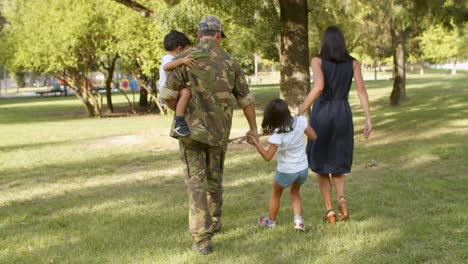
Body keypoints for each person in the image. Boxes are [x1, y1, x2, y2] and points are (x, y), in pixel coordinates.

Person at [160, 16, 258, 255]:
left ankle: (202, 240)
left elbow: (167, 95)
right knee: (214, 178)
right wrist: (253, 128)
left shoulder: (183, 59)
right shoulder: (230, 61)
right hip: (219, 132)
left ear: (198, 34)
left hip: (190, 133)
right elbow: (246, 100)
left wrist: (183, 113)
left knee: (197, 183)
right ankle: (214, 222)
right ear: (218, 35)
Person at [298, 26, 372, 225]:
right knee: (338, 160)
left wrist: (302, 107)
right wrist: (368, 118)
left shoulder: (317, 60)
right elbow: (362, 90)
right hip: (342, 113)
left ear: (325, 42)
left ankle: (330, 212)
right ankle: (342, 199)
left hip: (322, 113)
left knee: (321, 165)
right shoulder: (353, 63)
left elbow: (319, 87)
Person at [247, 99, 317, 232]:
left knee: (276, 193)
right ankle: (298, 221)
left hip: (286, 171)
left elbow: (268, 157)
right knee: (295, 192)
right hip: (302, 169)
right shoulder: (301, 121)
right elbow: (313, 136)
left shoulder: (278, 134)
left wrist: (256, 143)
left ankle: (271, 222)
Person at [158, 30, 195, 136]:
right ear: (179, 49)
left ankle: (180, 122)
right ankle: (178, 123)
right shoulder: (169, 59)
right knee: (186, 93)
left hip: (172, 91)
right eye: (186, 51)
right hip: (168, 92)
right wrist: (182, 60)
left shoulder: (171, 58)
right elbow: (166, 66)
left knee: (185, 111)